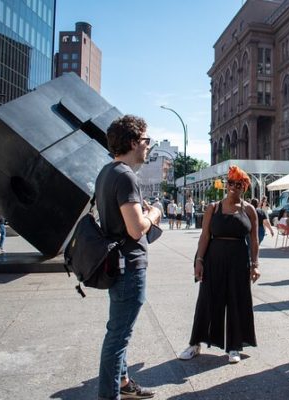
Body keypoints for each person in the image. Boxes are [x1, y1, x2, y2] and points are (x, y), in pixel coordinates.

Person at [95, 115, 161, 400]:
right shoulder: (125, 176)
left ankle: (122, 384)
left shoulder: (107, 172)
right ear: (133, 142)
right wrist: (153, 213)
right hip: (128, 265)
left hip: (116, 263)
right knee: (118, 337)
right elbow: (136, 229)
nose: (148, 146)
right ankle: (109, 395)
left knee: (118, 330)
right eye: (146, 141)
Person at [178, 165, 260, 364]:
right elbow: (205, 236)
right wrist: (198, 261)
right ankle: (195, 343)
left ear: (245, 187)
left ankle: (234, 346)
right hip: (213, 259)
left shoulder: (250, 210)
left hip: (239, 261)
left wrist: (255, 264)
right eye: (230, 182)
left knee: (236, 300)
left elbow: (254, 240)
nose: (233, 187)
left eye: (238, 184)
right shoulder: (213, 208)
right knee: (206, 300)